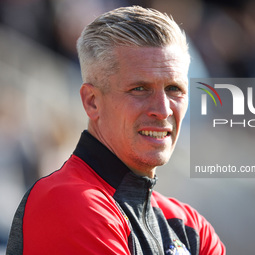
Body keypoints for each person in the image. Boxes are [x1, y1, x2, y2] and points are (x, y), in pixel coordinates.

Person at [6, 6, 226, 255]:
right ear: (92, 101)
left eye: (174, 89)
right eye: (140, 89)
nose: (163, 110)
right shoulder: (68, 200)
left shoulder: (189, 226)